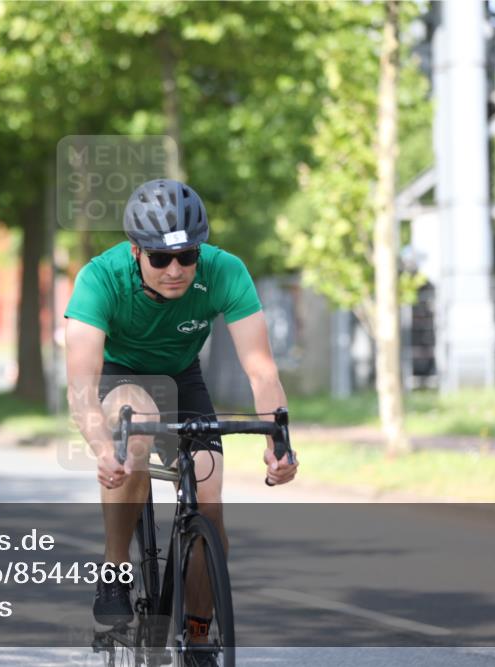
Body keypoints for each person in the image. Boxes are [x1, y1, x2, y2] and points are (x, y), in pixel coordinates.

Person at [63, 179, 298, 661]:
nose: (176, 270)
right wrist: (104, 450)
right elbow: (81, 386)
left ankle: (196, 632)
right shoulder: (99, 278)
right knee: (139, 425)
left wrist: (279, 441)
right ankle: (114, 573)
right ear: (135, 251)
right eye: (160, 259)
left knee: (208, 502)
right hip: (120, 374)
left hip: (183, 376)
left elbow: (261, 369)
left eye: (187, 256)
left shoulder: (226, 271)